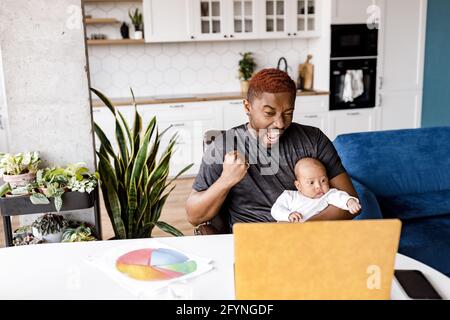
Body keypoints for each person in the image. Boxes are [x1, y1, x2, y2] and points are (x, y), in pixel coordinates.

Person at [186, 68, 359, 231]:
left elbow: (350, 200)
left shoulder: (313, 139)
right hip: (255, 240)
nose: (280, 124)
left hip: (311, 235)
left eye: (288, 113)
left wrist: (300, 229)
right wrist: (225, 180)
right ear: (247, 107)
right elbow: (194, 216)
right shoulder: (224, 146)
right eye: (269, 113)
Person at [271, 157, 361, 223]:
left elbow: (340, 197)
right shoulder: (289, 196)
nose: (318, 186)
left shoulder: (327, 195)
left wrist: (350, 202)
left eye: (323, 180)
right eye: (311, 182)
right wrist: (288, 215)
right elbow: (275, 210)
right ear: (298, 185)